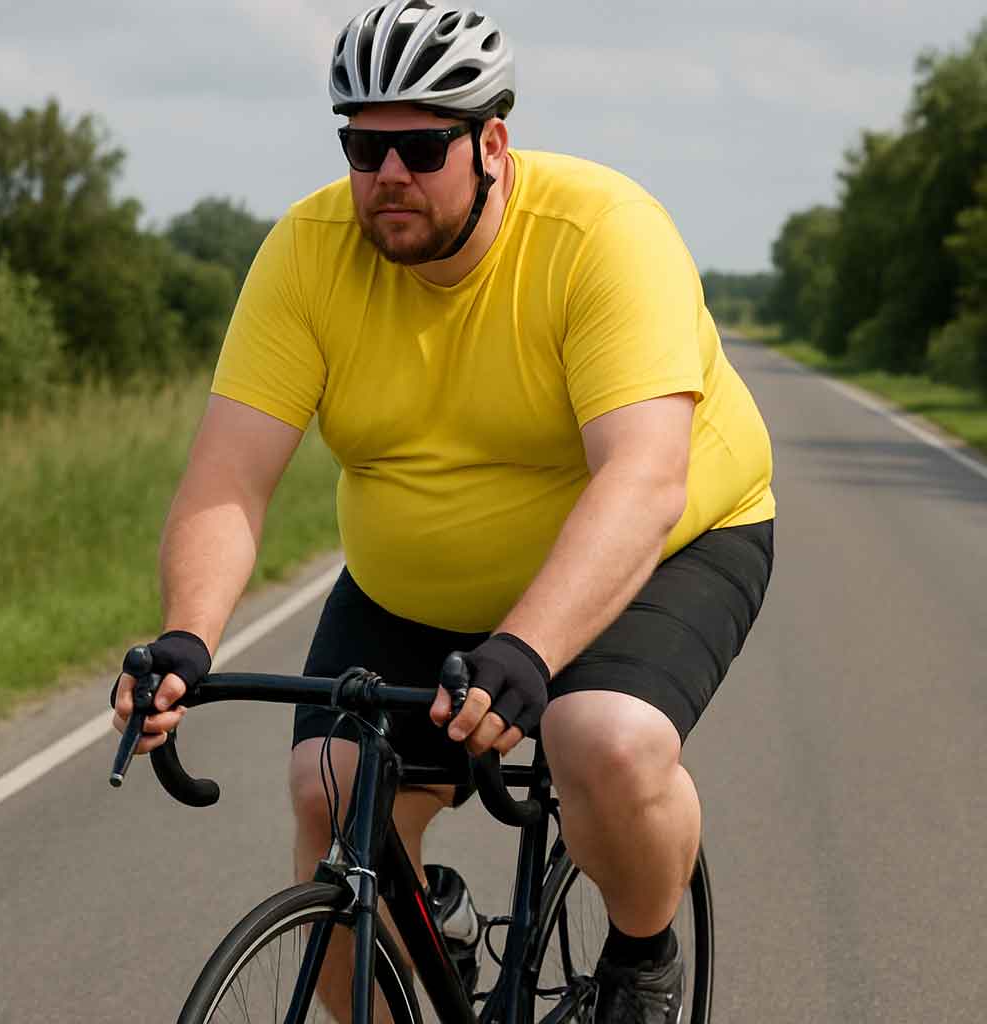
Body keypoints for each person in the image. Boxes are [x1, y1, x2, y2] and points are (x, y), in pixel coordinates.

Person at [112, 2, 775, 1020]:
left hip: (653, 542)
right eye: (362, 147)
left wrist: (530, 648)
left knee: (601, 738)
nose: (388, 175)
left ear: (491, 145)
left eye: (422, 148)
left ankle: (642, 961)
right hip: (413, 583)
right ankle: (434, 933)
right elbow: (228, 479)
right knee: (329, 793)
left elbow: (642, 480)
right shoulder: (307, 254)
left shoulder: (602, 234)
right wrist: (187, 637)